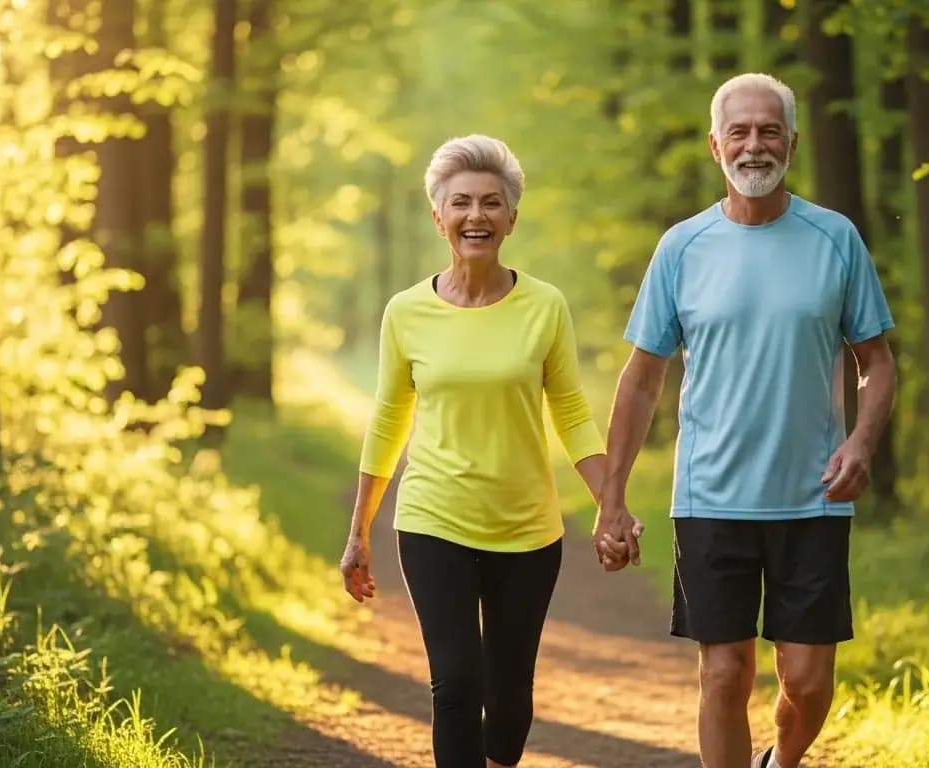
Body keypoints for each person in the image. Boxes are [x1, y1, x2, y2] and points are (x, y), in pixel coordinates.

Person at [594, 72, 897, 768]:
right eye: (740, 131)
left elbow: (878, 362)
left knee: (807, 683)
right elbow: (642, 379)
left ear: (791, 141)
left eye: (768, 131)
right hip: (711, 497)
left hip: (813, 497)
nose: (754, 144)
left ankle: (782, 762)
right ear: (715, 144)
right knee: (724, 674)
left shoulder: (835, 239)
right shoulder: (682, 247)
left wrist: (861, 442)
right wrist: (612, 497)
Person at [339, 134, 611, 768]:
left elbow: (570, 411)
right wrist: (359, 531)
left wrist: (612, 504)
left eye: (492, 203)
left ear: (512, 218)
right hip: (434, 520)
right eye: (460, 202)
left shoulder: (544, 306)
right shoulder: (406, 312)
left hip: (526, 528)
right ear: (439, 217)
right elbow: (387, 420)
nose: (476, 215)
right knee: (457, 683)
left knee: (510, 695)